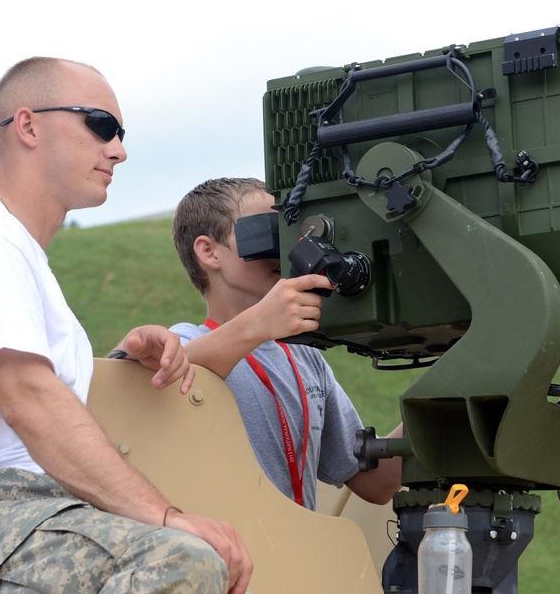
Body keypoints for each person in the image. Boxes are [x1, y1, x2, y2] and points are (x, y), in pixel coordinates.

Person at [0, 58, 251, 593]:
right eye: (100, 124)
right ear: (27, 126)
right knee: (181, 561)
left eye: (120, 134)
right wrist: (166, 517)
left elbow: (17, 401)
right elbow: (27, 397)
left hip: (16, 522)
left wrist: (117, 365)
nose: (118, 149)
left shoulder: (16, 259)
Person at [170, 178, 403, 510]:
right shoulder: (187, 340)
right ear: (209, 252)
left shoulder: (304, 358)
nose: (286, 248)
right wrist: (257, 325)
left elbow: (374, 482)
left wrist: (445, 396)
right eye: (268, 230)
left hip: (294, 556)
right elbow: (165, 374)